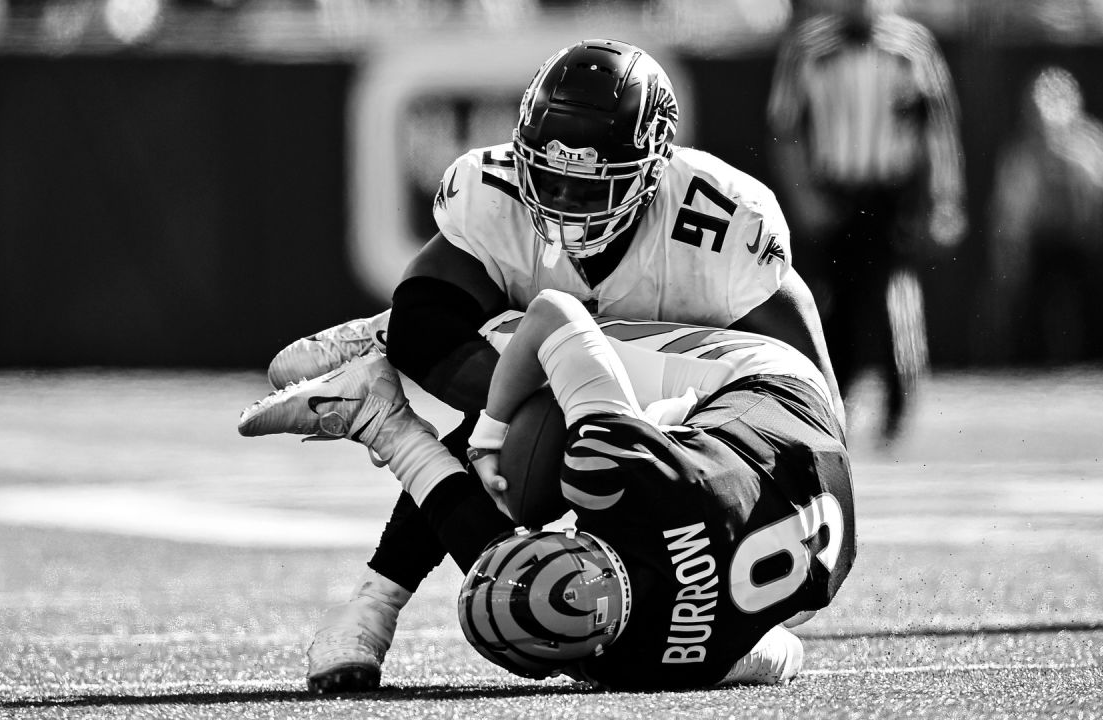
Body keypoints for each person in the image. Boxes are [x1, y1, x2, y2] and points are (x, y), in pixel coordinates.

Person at [264, 38, 840, 693]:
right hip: (634, 384)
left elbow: (809, 379)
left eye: (592, 184)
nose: (564, 201)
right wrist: (487, 421)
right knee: (523, 424)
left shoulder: (720, 225)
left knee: (531, 475)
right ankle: (374, 590)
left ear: (654, 168)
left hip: (684, 384)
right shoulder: (497, 193)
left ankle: (373, 574)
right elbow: (430, 316)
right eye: (550, 177)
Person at [239, 289, 856, 689]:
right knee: (526, 443)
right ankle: (401, 333)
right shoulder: (618, 472)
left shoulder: (627, 658)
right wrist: (485, 435)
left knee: (517, 590)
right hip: (769, 381)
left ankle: (378, 418)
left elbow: (780, 655)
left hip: (810, 502)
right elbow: (554, 313)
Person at [766, 0, 965, 444]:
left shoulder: (911, 46)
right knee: (833, 302)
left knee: (892, 296)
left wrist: (944, 198)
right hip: (834, 190)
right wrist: (804, 198)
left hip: (890, 195)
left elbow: (938, 128)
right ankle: (837, 403)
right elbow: (784, 128)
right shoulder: (808, 46)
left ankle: (898, 404)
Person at [985, 66, 1103, 365]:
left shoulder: (1091, 143)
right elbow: (1010, 211)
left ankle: (1101, 362)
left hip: (1084, 241)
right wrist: (1010, 254)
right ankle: (1029, 365)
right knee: (1030, 305)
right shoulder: (1022, 153)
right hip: (1043, 243)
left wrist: (1074, 168)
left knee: (1096, 302)